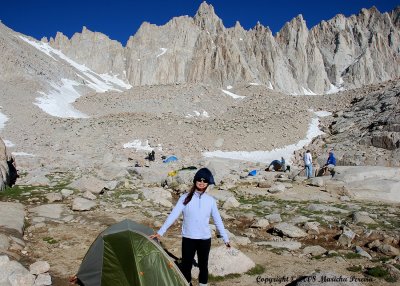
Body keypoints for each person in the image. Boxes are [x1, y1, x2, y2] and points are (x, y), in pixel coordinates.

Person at [150, 168, 230, 286]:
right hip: (188, 238)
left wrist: (225, 238)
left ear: (208, 183)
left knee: (203, 267)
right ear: (195, 181)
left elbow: (218, 220)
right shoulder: (185, 198)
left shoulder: (211, 201)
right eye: (199, 180)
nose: (201, 183)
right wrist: (160, 232)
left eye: (205, 181)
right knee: (186, 267)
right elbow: (173, 216)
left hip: (204, 239)